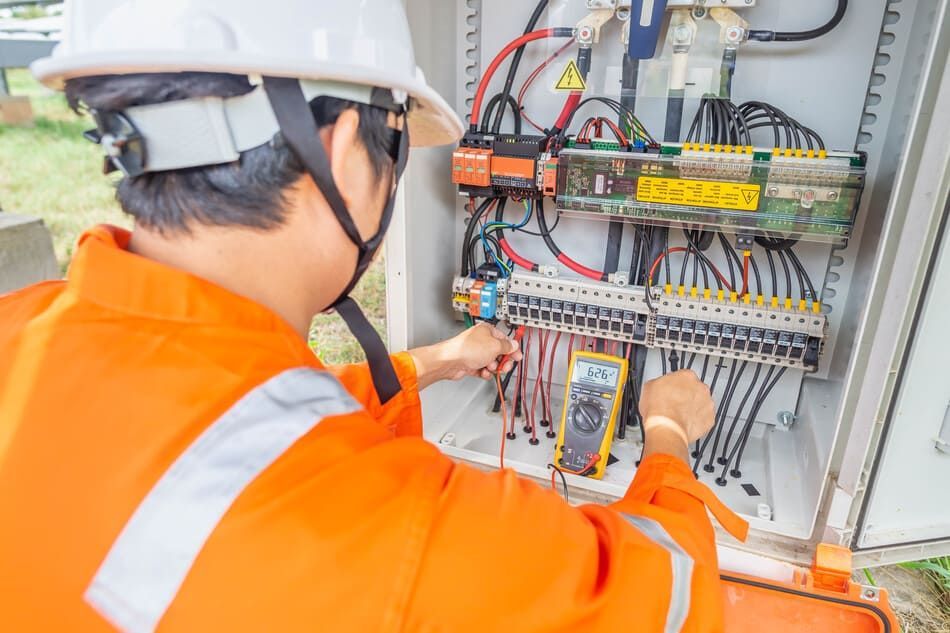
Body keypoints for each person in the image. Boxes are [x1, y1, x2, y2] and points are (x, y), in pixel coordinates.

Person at [0, 1, 746, 631]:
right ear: (350, 151)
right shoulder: (407, 542)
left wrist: (438, 361)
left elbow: (225, 431)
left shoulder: (21, 329)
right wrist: (668, 432)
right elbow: (667, 594)